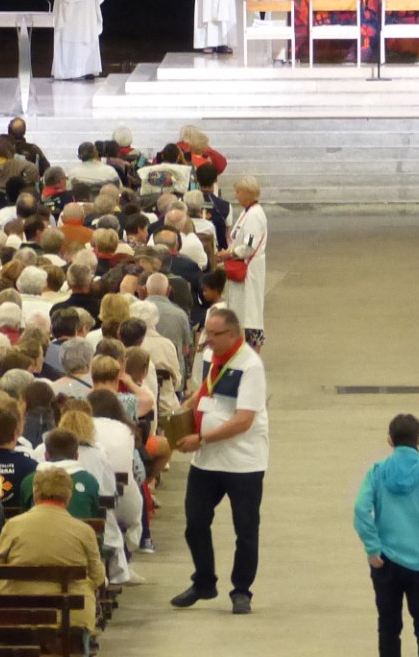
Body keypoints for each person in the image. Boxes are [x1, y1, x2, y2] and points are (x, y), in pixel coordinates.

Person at [171, 306, 268, 615]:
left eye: (214, 335)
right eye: (207, 333)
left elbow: (243, 420)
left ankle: (242, 590)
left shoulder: (250, 366)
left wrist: (200, 439)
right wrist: (189, 403)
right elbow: (207, 387)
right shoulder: (213, 356)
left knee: (246, 529)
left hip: (243, 462)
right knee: (195, 522)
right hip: (207, 462)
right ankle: (204, 580)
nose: (207, 340)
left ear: (233, 334)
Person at [353, 413, 419, 657]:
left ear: (390, 440)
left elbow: (360, 509)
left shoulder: (377, 473)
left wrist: (372, 546)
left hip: (386, 561)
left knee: (388, 626)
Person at [0, 465, 105, 641]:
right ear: (68, 496)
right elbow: (98, 577)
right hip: (70, 618)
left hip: (20, 613)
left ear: (35, 495)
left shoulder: (14, 525)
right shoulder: (84, 531)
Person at [225, 177, 268, 348]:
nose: (236, 196)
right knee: (243, 311)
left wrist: (231, 253)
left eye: (238, 192)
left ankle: (253, 349)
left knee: (251, 313)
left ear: (248, 194)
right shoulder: (247, 212)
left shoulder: (254, 216)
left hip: (249, 268)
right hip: (243, 265)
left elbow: (249, 244)